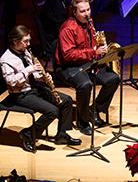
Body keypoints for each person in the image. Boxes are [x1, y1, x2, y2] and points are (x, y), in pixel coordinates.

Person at [0, 25, 82, 153]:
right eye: (25, 41)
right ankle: (28, 133)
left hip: (35, 88)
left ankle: (61, 134)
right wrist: (28, 70)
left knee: (66, 101)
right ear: (15, 42)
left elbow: (34, 74)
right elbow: (11, 82)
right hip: (21, 94)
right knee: (52, 111)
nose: (28, 44)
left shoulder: (25, 52)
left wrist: (43, 76)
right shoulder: (6, 59)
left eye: (29, 40)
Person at [55, 0, 120, 136]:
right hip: (68, 67)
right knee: (85, 85)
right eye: (82, 11)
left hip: (87, 62)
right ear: (74, 12)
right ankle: (82, 122)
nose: (87, 14)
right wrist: (93, 51)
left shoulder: (89, 23)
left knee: (113, 78)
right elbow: (68, 55)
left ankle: (94, 110)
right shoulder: (68, 28)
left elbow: (91, 45)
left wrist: (100, 47)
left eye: (88, 9)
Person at [40, 0, 73, 70]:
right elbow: (59, 27)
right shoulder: (54, 4)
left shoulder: (60, 0)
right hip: (52, 39)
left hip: (57, 33)